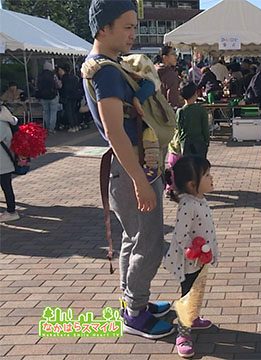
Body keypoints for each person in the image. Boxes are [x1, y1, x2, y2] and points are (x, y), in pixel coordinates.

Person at [82, 0, 173, 339]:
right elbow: (116, 131)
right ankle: (135, 312)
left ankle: (133, 302)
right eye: (127, 27)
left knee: (132, 240)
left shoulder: (104, 65)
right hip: (132, 166)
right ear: (103, 29)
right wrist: (141, 181)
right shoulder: (105, 70)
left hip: (127, 167)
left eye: (134, 26)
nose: (134, 34)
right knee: (148, 242)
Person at [163, 156, 218, 358]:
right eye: (207, 175)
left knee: (198, 290)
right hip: (190, 261)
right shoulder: (188, 204)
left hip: (201, 260)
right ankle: (183, 335)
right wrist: (193, 249)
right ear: (192, 184)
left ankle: (192, 318)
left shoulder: (199, 199)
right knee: (188, 295)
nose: (211, 178)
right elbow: (180, 235)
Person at [176, 82, 209, 158]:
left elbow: (179, 129)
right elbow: (205, 128)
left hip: (185, 142)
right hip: (200, 142)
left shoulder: (180, 111)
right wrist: (207, 141)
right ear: (195, 94)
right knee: (200, 166)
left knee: (188, 166)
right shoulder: (201, 110)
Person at [0, 105, 19, 222]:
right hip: (4, 163)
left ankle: (11, 211)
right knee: (7, 187)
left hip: (3, 163)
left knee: (6, 188)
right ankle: (11, 211)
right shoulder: (5, 121)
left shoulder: (1, 124)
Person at [36, 61, 61, 134]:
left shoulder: (39, 76)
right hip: (53, 96)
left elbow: (36, 86)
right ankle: (51, 129)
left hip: (43, 97)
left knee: (46, 113)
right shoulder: (53, 75)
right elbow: (58, 85)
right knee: (53, 113)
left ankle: (47, 128)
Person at [57, 63, 82, 132]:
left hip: (67, 97)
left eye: (59, 70)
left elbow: (63, 88)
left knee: (69, 112)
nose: (59, 72)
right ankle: (77, 125)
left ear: (63, 70)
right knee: (74, 111)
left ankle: (72, 126)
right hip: (75, 96)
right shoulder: (73, 77)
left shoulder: (64, 78)